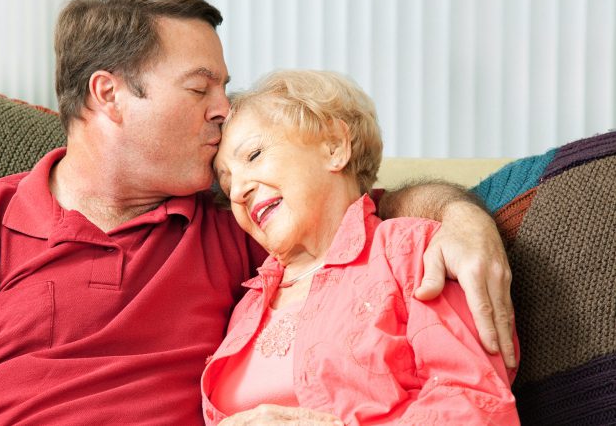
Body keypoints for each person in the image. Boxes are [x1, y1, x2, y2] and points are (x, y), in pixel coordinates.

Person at [0, 0, 514, 425]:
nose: (225, 109)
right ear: (109, 95)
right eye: (201, 89)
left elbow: (362, 215)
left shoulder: (237, 224)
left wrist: (459, 215)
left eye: (224, 88)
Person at [202, 70, 519, 425]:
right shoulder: (246, 306)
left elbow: (479, 406)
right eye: (227, 183)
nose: (238, 191)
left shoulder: (410, 254)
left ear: (334, 147)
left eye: (254, 154)